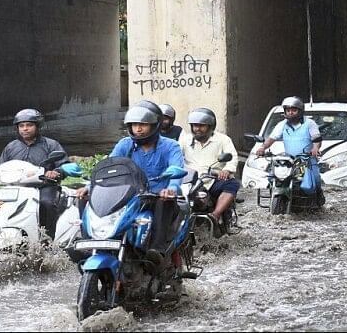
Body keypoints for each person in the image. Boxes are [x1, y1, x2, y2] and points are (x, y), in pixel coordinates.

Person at [76, 102, 184, 263]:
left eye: (143, 125)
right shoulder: (125, 145)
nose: (138, 129)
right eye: (134, 125)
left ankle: (157, 250)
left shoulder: (171, 146)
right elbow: (109, 168)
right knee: (86, 198)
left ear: (155, 125)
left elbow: (176, 169)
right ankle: (90, 239)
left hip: (158, 195)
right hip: (131, 195)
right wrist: (89, 187)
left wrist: (171, 188)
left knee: (164, 202)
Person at [0, 108, 68, 238]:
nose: (25, 129)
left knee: (46, 204)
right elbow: (1, 166)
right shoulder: (11, 147)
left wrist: (56, 172)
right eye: (21, 126)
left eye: (29, 125)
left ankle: (47, 241)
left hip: (43, 186)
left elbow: (64, 165)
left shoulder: (51, 145)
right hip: (16, 188)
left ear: (37, 126)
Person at [179, 107, 239, 238]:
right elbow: (175, 156)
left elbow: (233, 157)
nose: (197, 129)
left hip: (212, 180)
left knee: (232, 184)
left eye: (201, 126)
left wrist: (226, 169)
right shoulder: (185, 140)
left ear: (211, 126)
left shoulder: (223, 139)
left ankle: (215, 215)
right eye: (195, 126)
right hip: (190, 181)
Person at [255, 96, 324, 205]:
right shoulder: (282, 125)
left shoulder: (310, 124)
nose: (290, 113)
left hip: (306, 159)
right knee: (272, 177)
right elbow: (271, 138)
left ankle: (318, 196)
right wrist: (262, 148)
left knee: (314, 180)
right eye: (288, 110)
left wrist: (315, 148)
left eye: (294, 110)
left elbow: (316, 139)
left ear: (300, 111)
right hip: (289, 161)